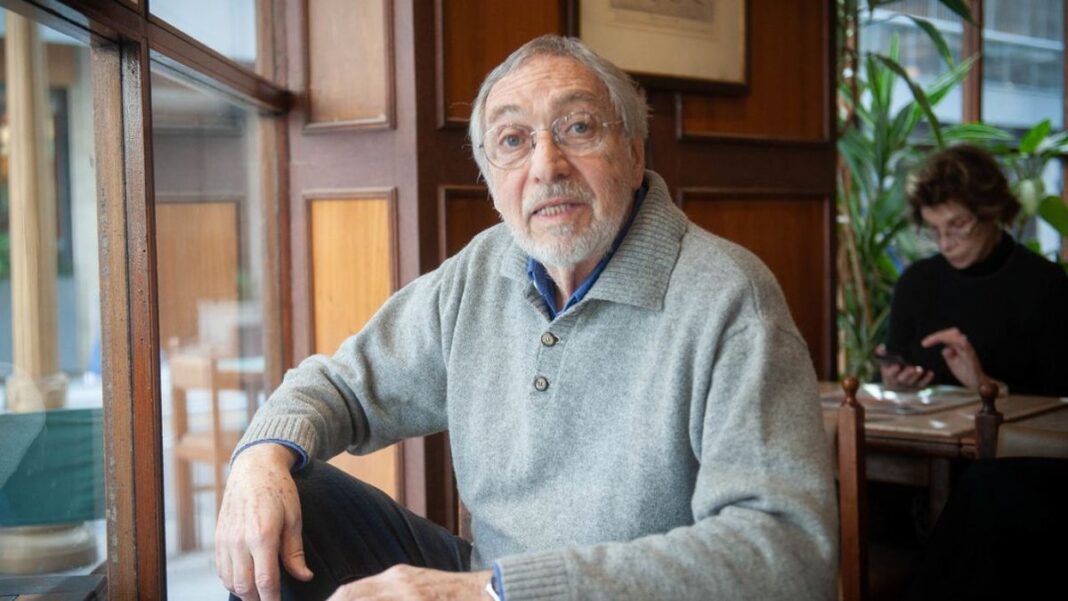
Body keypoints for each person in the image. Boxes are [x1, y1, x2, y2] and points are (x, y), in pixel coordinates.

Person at [215, 34, 836, 601]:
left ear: (634, 149)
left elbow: (783, 550)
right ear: (490, 176)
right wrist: (260, 458)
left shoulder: (729, 297)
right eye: (513, 141)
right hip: (492, 581)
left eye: (578, 128)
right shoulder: (483, 271)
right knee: (299, 494)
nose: (546, 165)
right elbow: (342, 385)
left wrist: (498, 591)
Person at [880, 143, 1068, 397]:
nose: (945, 243)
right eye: (934, 230)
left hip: (1006, 436)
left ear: (992, 211)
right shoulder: (916, 282)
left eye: (958, 225)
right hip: (926, 434)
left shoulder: (1045, 284)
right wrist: (895, 384)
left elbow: (1058, 408)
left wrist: (984, 385)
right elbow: (891, 373)